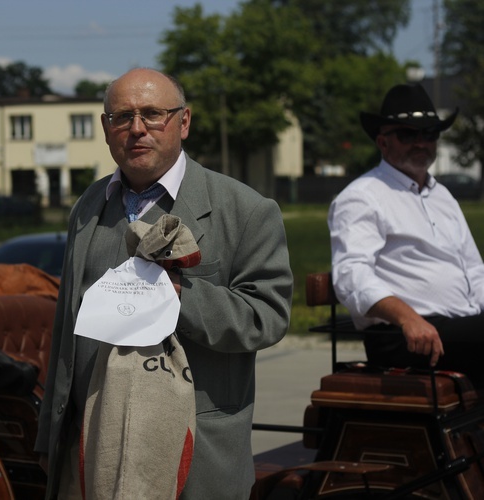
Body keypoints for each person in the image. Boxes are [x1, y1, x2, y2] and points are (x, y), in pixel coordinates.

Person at [34, 68, 293, 499]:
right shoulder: (88, 206)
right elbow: (66, 328)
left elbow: (266, 317)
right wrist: (50, 436)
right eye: (122, 117)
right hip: (93, 448)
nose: (137, 129)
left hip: (193, 456)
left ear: (184, 122)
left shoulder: (246, 210)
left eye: (153, 114)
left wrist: (179, 295)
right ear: (105, 128)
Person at [329, 83, 484, 388]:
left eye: (430, 134)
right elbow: (351, 274)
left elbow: (474, 270)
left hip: (457, 328)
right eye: (408, 134)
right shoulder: (362, 196)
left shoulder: (443, 196)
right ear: (382, 142)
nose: (421, 142)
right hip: (402, 335)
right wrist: (407, 318)